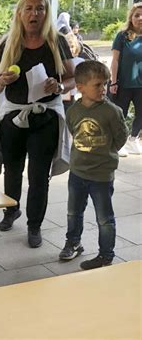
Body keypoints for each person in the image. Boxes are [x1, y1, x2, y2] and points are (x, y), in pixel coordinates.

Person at [0, 0, 75, 248]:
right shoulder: (8, 42)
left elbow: (73, 78)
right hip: (14, 115)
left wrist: (59, 87)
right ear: (20, 13)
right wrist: (1, 80)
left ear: (46, 13)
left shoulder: (56, 42)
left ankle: (34, 224)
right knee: (12, 169)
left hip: (45, 117)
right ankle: (11, 209)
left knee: (39, 175)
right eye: (29, 8)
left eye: (39, 8)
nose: (34, 13)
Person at [59, 61, 128, 270]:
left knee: (104, 218)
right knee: (74, 212)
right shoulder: (73, 111)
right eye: (97, 85)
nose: (103, 89)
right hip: (77, 172)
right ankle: (73, 242)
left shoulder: (111, 111)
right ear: (80, 86)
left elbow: (120, 138)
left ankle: (105, 254)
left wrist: (106, 153)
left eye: (105, 84)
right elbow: (74, 132)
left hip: (101, 175)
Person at [110, 2, 142, 156]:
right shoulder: (123, 36)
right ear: (131, 18)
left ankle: (134, 138)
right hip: (123, 83)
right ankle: (119, 143)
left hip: (141, 85)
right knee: (120, 114)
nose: (140, 18)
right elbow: (115, 60)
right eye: (137, 15)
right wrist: (114, 81)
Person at [62, 32, 84, 112]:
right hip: (61, 94)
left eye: (72, 47)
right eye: (68, 47)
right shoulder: (60, 61)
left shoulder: (80, 61)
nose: (70, 49)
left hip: (72, 94)